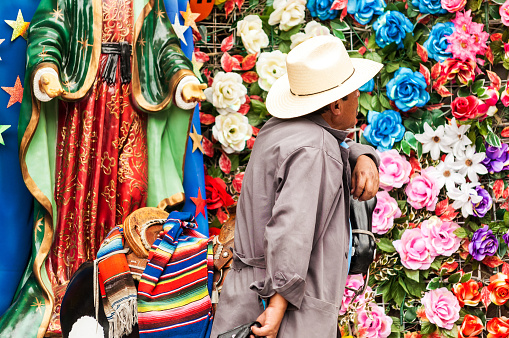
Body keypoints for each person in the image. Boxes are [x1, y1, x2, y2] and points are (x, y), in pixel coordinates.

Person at [0, 0, 206, 336]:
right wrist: (47, 67)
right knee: (79, 198)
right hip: (84, 109)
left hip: (132, 106)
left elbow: (163, 42)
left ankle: (122, 293)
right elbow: (49, 26)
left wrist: (181, 78)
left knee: (132, 193)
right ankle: (75, 291)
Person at [211, 35, 383, 338]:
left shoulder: (280, 128)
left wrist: (362, 154)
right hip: (285, 310)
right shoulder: (316, 149)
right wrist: (278, 304)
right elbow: (291, 230)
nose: (359, 98)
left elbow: (325, 145)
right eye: (354, 92)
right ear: (336, 104)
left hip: (247, 292)